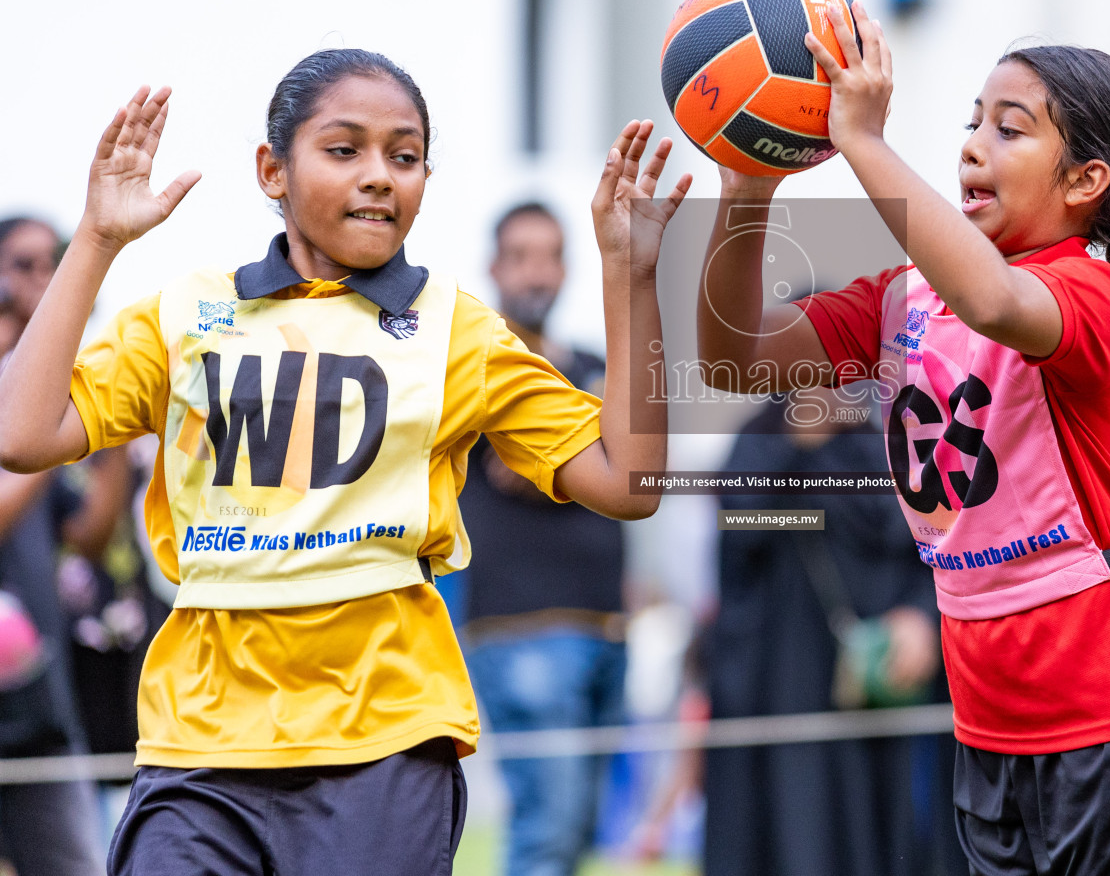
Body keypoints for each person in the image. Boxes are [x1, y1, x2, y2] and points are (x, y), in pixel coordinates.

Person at [0, 50, 687, 875]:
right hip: (202, 740)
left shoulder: (455, 332)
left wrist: (630, 274)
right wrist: (99, 240)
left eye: (404, 156)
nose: (378, 177)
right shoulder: (188, 315)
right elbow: (21, 433)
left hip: (384, 745)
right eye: (343, 149)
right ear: (272, 170)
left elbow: (630, 481)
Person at [694, 4, 1110, 874]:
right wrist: (748, 192)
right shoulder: (903, 298)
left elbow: (995, 303)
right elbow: (733, 360)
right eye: (971, 121)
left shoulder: (1093, 293)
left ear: (1085, 182)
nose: (972, 145)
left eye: (1009, 128)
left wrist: (864, 142)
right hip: (992, 717)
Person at [455, 201, 627, 876]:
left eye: (550, 254)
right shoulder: (482, 365)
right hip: (521, 630)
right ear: (495, 266)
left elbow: (637, 466)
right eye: (520, 254)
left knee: (580, 831)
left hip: (607, 626)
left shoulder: (588, 360)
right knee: (548, 833)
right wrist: (598, 445)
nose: (536, 271)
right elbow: (520, 470)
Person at [704, 388, 940, 876]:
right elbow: (739, 530)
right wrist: (798, 452)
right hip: (781, 684)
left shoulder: (885, 449)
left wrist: (922, 619)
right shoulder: (758, 441)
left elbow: (929, 552)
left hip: (878, 691)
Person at [0, 215, 134, 876]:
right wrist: (39, 430)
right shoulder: (30, 414)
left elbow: (86, 538)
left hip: (37, 697)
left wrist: (106, 446)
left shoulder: (59, 394)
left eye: (52, 263)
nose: (41, 281)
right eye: (23, 265)